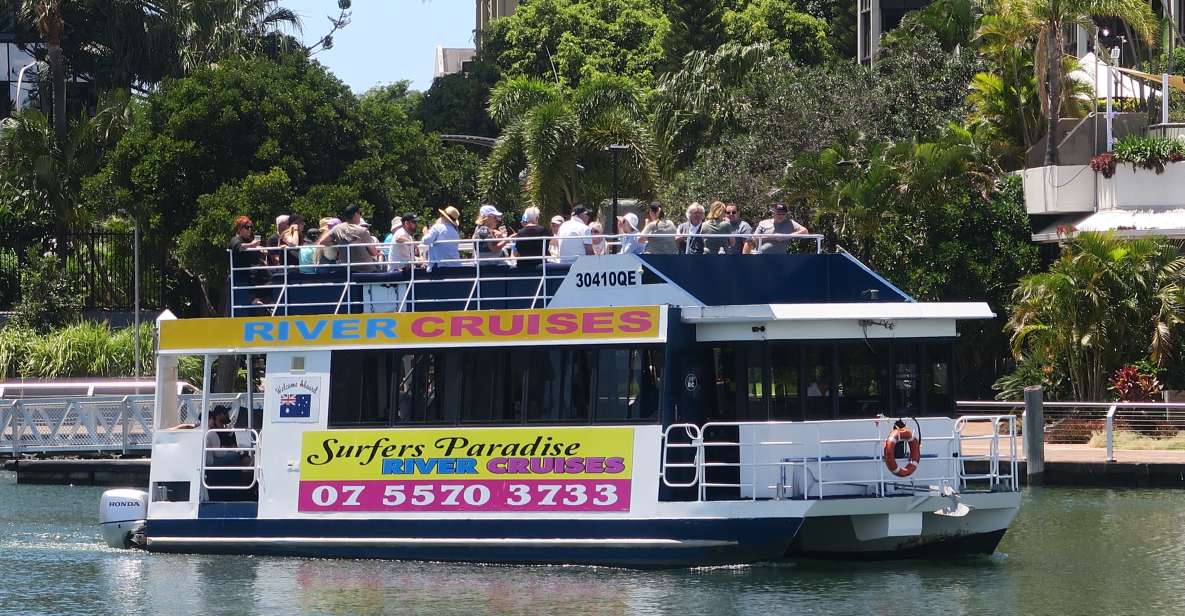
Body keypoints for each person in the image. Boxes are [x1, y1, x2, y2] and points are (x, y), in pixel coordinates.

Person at [319, 204, 381, 273]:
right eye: (360, 213)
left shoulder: (337, 229)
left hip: (347, 270)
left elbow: (322, 242)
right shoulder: (363, 231)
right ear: (355, 215)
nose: (360, 216)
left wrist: (338, 244)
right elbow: (374, 253)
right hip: (366, 270)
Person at [229, 216, 266, 305]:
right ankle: (255, 299)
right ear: (239, 228)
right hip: (242, 275)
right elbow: (239, 247)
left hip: (253, 274)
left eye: (250, 227)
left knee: (271, 275)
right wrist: (251, 245)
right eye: (247, 227)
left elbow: (256, 258)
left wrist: (261, 251)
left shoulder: (248, 240)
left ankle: (261, 299)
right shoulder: (235, 239)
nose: (249, 229)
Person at [422, 205, 463, 269]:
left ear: (444, 217)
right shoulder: (455, 232)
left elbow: (425, 241)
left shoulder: (437, 227)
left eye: (441, 215)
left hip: (440, 266)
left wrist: (425, 232)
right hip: (455, 265)